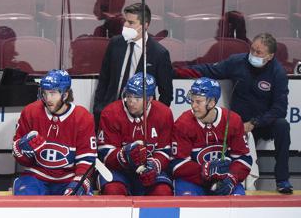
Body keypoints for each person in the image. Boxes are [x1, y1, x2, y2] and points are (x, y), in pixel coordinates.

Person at [177, 32, 292, 194]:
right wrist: (176, 72)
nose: (253, 55)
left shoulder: (278, 73)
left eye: (259, 53)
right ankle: (221, 176)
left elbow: (280, 109)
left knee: (282, 125)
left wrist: (254, 123)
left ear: (270, 56)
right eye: (252, 50)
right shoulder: (238, 61)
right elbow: (210, 70)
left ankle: (282, 180)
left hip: (263, 123)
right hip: (238, 122)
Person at [12, 69, 97, 196]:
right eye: (44, 93)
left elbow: (86, 157)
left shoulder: (82, 117)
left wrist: (80, 180)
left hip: (69, 177)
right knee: (25, 200)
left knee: (78, 202)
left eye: (53, 93)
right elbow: (19, 156)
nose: (48, 99)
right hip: (36, 176)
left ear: (65, 94)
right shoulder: (30, 112)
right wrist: (22, 150)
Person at [92, 3, 174, 122]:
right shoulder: (115, 43)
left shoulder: (159, 53)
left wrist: (153, 118)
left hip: (140, 119)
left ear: (145, 25)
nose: (125, 25)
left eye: (131, 23)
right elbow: (104, 79)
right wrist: (99, 109)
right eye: (125, 21)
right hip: (110, 114)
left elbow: (166, 94)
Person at [172, 77, 252, 196]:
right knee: (188, 203)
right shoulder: (183, 123)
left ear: (212, 102)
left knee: (238, 200)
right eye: (192, 100)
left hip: (223, 179)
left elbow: (243, 158)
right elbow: (176, 164)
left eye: (198, 102)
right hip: (193, 181)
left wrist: (231, 179)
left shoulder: (233, 121)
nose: (193, 106)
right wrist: (205, 169)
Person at [97, 73, 173, 196]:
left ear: (149, 99)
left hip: (149, 168)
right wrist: (123, 155)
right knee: (113, 190)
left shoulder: (164, 113)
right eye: (129, 96)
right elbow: (104, 155)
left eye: (137, 98)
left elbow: (165, 151)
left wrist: (153, 166)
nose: (131, 102)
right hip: (119, 171)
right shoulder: (110, 113)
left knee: (162, 192)